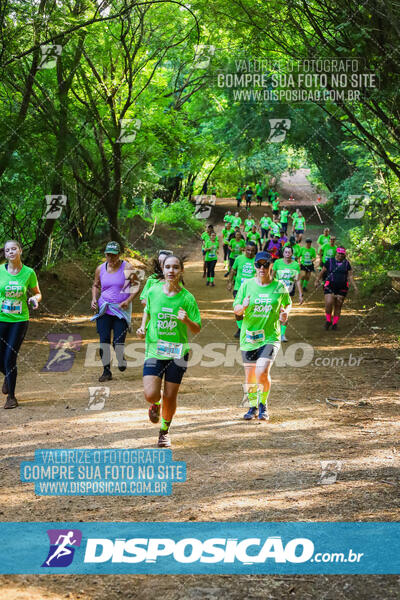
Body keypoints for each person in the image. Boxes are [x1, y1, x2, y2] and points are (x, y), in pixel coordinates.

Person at [137, 255, 201, 447]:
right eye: (168, 267)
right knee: (151, 394)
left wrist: (187, 320)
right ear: (162, 270)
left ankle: (164, 430)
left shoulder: (187, 298)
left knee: (170, 395)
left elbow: (197, 328)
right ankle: (154, 405)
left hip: (178, 353)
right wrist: (143, 328)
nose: (171, 270)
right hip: (155, 350)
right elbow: (147, 310)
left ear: (181, 271)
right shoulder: (154, 291)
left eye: (175, 267)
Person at [233, 251, 291, 420]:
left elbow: (288, 304)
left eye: (266, 264)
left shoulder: (279, 286)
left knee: (261, 371)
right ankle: (252, 407)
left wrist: (285, 314)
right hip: (249, 337)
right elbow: (236, 310)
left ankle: (263, 405)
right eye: (259, 264)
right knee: (250, 375)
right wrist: (243, 306)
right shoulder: (246, 285)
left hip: (270, 336)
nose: (262, 268)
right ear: (254, 266)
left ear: (271, 265)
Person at [0, 240, 41, 409]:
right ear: (5, 253)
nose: (10, 252)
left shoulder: (29, 272)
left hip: (19, 320)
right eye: (7, 250)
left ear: (20, 251)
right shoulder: (0, 271)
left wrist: (34, 299)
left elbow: (38, 293)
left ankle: (11, 397)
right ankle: (8, 377)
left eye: (13, 249)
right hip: (1, 319)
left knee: (10, 357)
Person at [91, 241, 139, 382]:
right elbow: (95, 285)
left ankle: (120, 357)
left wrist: (128, 301)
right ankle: (106, 371)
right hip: (104, 309)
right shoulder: (100, 268)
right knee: (104, 341)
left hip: (120, 310)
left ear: (119, 254)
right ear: (105, 254)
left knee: (118, 342)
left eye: (114, 255)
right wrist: (94, 298)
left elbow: (136, 286)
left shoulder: (128, 267)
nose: (111, 258)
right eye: (108, 255)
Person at [315, 247, 358, 330]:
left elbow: (350, 276)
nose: (340, 255)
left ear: (344, 254)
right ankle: (328, 320)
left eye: (342, 254)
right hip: (329, 285)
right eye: (339, 253)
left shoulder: (346, 264)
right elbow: (322, 271)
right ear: (336, 253)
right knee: (329, 302)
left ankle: (335, 323)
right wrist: (317, 280)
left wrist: (355, 286)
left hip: (342, 287)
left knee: (338, 305)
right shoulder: (330, 261)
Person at [272, 246, 303, 341]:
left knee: (285, 312)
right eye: (286, 252)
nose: (287, 254)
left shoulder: (296, 265)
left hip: (289, 292)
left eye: (289, 252)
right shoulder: (277, 263)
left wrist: (301, 295)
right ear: (283, 253)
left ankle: (282, 334)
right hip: (277, 292)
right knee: (276, 312)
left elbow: (297, 280)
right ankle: (274, 333)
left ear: (292, 254)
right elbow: (271, 276)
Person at [228, 242, 256, 338]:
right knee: (238, 309)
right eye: (248, 250)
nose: (250, 252)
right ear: (245, 249)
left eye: (252, 250)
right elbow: (233, 270)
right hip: (238, 289)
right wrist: (230, 282)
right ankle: (240, 328)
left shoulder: (256, 261)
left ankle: (249, 328)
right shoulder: (239, 259)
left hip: (252, 290)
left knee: (250, 310)